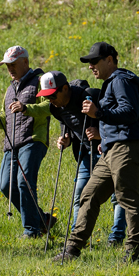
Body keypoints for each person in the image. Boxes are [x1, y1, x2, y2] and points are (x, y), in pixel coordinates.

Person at [54, 42, 139, 265]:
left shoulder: (121, 81)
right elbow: (118, 115)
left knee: (128, 197)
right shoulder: (111, 83)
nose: (90, 66)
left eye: (94, 61)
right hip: (112, 148)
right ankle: (73, 249)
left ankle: (133, 253)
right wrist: (103, 138)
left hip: (126, 146)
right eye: (89, 63)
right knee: (89, 194)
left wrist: (99, 113)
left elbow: (130, 112)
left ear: (110, 60)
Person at [37, 71, 126, 246]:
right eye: (46, 97)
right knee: (80, 194)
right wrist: (67, 138)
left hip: (110, 150)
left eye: (52, 95)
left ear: (65, 89)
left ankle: (116, 237)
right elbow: (67, 124)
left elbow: (118, 119)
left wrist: (101, 134)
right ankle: (76, 238)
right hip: (87, 153)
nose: (50, 100)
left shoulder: (92, 96)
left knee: (118, 194)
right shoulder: (56, 108)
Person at [0, 46, 53, 238]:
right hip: (11, 144)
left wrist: (26, 108)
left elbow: (50, 105)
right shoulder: (10, 89)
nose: (10, 69)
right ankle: (42, 220)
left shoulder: (40, 81)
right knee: (6, 185)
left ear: (25, 62)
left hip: (33, 140)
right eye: (7, 65)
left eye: (13, 64)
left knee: (24, 182)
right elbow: (5, 120)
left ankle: (31, 230)